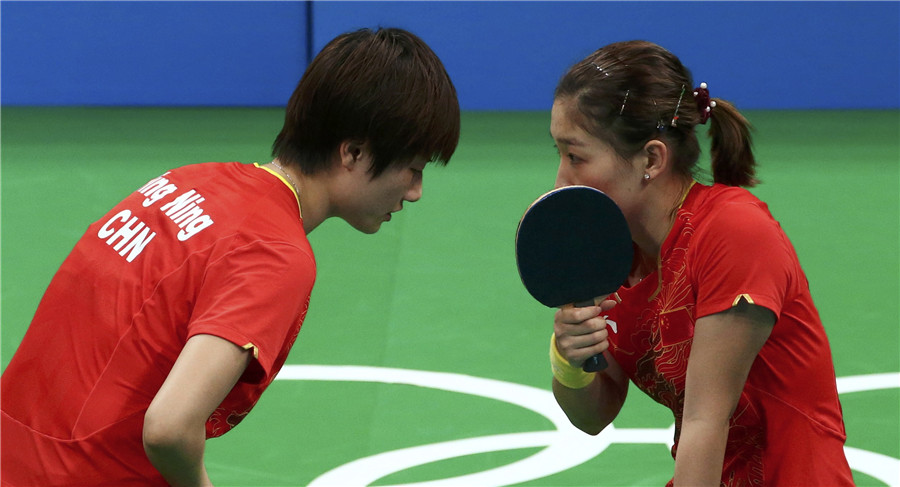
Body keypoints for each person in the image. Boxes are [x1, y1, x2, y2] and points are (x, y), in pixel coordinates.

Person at [1, 27, 459, 487]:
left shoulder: (188, 181)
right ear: (354, 152)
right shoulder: (277, 254)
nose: (416, 192)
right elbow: (169, 428)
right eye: (413, 169)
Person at [546, 40, 852, 486]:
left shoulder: (734, 234)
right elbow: (594, 416)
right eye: (558, 154)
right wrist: (569, 358)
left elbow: (707, 423)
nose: (559, 181)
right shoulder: (612, 255)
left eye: (575, 157)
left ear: (651, 158)